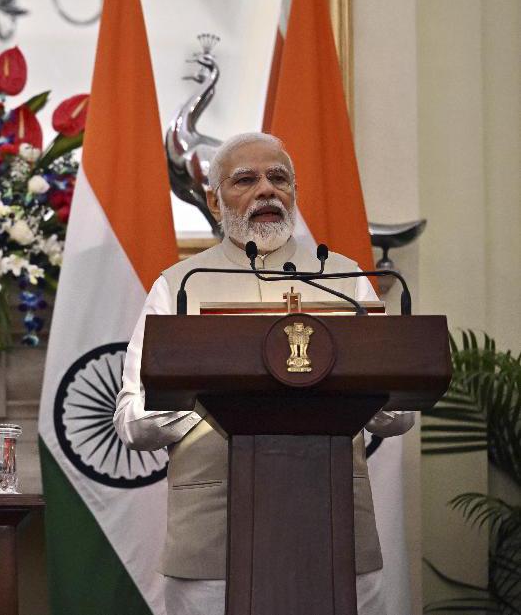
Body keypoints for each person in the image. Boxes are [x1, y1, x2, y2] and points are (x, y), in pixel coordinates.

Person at [114, 132, 413, 615]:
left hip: (335, 530)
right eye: (245, 180)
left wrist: (363, 396)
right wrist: (220, 398)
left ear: (294, 193)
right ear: (215, 201)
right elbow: (131, 421)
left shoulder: (344, 280)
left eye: (278, 178)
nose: (266, 191)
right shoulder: (179, 288)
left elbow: (398, 415)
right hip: (214, 544)